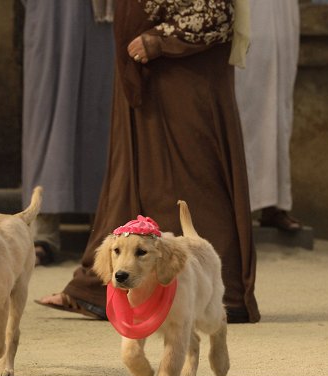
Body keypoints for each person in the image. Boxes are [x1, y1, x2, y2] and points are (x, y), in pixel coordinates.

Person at [36, 0, 261, 324]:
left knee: (194, 180)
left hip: (182, 75)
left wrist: (157, 40)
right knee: (132, 178)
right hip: (154, 76)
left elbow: (217, 14)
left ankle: (222, 295)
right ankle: (97, 289)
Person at [21, 0, 115, 265]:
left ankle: (104, 231)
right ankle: (44, 234)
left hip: (105, 17)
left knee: (103, 114)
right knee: (47, 118)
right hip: (52, 13)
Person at [234, 0, 303, 232]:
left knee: (279, 108)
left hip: (281, 13)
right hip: (246, 12)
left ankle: (274, 205)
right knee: (245, 102)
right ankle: (239, 204)